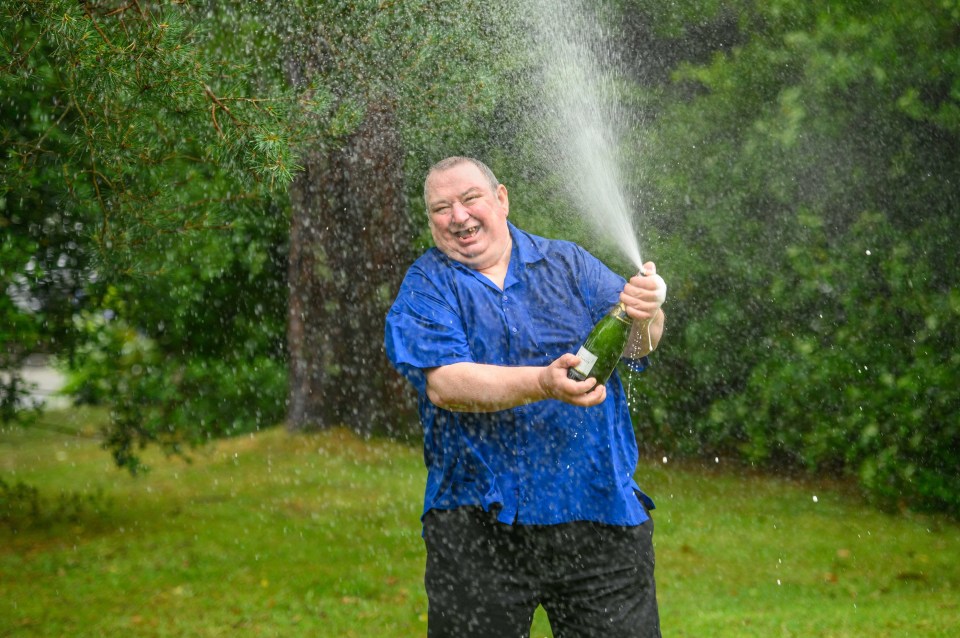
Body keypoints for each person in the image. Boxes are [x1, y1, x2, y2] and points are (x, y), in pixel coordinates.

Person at [384, 156, 667, 637]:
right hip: (476, 527)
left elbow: (636, 343)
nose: (458, 216)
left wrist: (648, 309)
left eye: (471, 198)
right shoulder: (428, 284)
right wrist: (541, 383)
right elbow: (446, 384)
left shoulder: (567, 263)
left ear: (501, 199)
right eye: (441, 208)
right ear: (430, 219)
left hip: (596, 516)